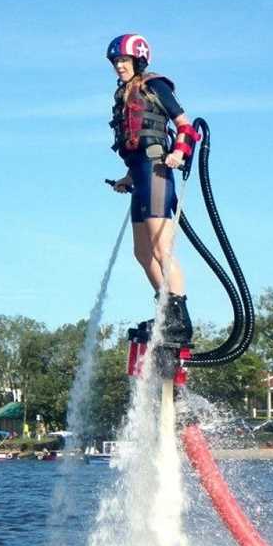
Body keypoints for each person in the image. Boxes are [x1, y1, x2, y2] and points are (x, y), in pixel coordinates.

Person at [106, 33, 198, 345]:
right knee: (142, 253)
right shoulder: (124, 93)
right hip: (140, 176)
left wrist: (178, 154)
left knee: (162, 250)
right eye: (116, 61)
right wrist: (127, 178)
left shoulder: (154, 85)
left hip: (159, 173)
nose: (119, 66)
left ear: (138, 60)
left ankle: (180, 318)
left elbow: (186, 127)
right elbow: (136, 144)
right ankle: (164, 311)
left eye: (124, 60)